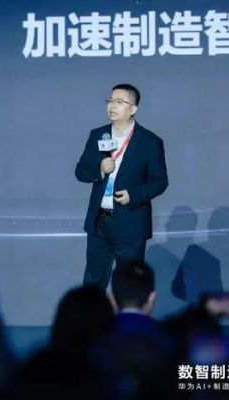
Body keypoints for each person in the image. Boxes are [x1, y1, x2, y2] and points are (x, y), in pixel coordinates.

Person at [75, 83, 168, 290]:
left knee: (129, 286)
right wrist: (99, 168)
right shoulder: (98, 135)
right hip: (100, 224)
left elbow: (159, 181)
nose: (112, 106)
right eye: (110, 101)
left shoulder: (149, 141)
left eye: (119, 102)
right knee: (92, 284)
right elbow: (81, 171)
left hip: (130, 224)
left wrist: (133, 195)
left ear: (133, 109)